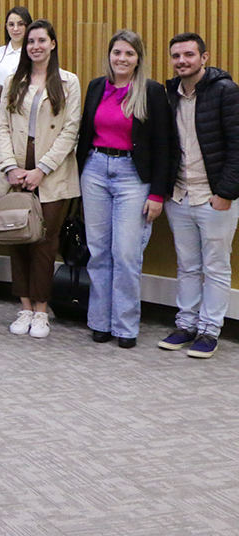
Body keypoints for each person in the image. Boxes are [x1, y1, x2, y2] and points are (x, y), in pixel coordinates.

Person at [76, 30, 174, 349]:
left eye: (129, 54)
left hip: (133, 175)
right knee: (99, 252)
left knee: (127, 253)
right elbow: (83, 136)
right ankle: (100, 322)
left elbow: (165, 146)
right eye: (117, 52)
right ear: (109, 55)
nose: (122, 59)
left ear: (138, 59)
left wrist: (158, 194)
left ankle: (126, 325)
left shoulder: (151, 92)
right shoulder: (95, 87)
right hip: (94, 172)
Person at [0, 19, 81, 339]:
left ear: (53, 44)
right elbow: (1, 126)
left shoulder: (69, 82)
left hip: (52, 171)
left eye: (42, 40)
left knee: (45, 241)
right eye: (31, 42)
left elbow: (71, 130)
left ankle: (42, 311)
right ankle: (24, 306)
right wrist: (9, 167)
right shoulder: (14, 81)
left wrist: (41, 168)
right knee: (16, 236)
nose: (36, 46)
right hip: (15, 165)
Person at [159, 32, 239, 358]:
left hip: (213, 197)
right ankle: (186, 324)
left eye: (189, 55)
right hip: (179, 196)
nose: (182, 61)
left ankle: (209, 330)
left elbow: (237, 147)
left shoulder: (225, 92)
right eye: (176, 56)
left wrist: (226, 193)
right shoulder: (169, 95)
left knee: (216, 267)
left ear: (204, 58)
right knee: (188, 266)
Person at [0, 7, 32, 86]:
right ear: (6, 27)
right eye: (11, 24)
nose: (15, 29)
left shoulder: (33, 54)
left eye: (20, 24)